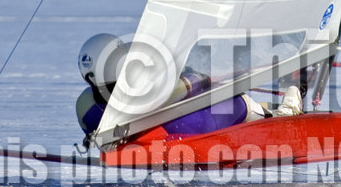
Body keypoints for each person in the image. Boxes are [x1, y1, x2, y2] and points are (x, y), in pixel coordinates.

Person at [75, 32, 301, 137]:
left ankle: (266, 108)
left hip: (173, 125)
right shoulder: (143, 91)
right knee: (235, 103)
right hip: (193, 125)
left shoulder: (85, 107)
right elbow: (183, 88)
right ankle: (282, 114)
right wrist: (195, 76)